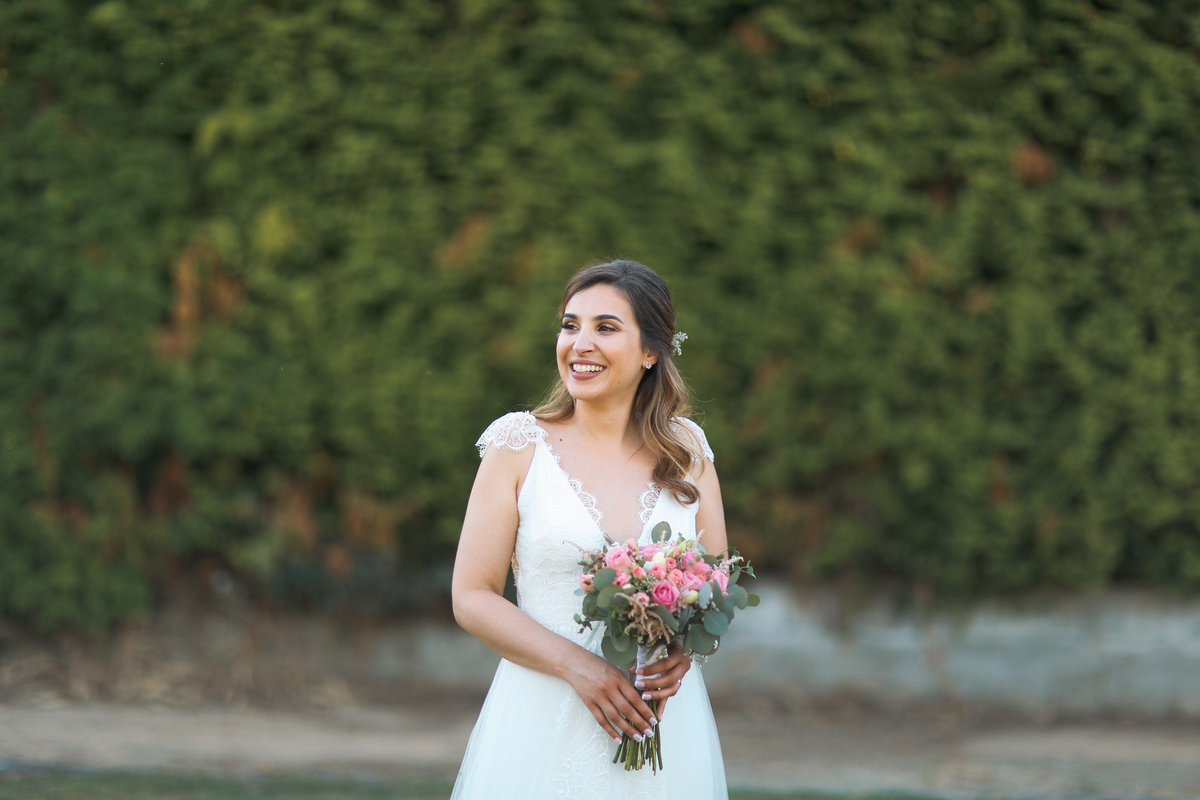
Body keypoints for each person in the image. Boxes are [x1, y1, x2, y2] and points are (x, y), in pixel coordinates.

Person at [450, 260, 729, 799]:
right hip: (542, 715)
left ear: (651, 351)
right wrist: (578, 667)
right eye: (569, 325)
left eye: (605, 327)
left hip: (661, 722)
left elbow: (716, 582)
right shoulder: (517, 445)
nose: (579, 343)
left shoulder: (687, 450)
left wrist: (685, 652)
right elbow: (471, 596)